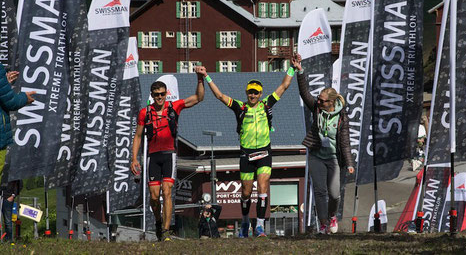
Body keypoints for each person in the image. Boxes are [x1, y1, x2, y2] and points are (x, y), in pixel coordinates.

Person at [200, 66, 295, 237]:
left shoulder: (267, 103)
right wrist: (206, 76)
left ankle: (259, 226)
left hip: (264, 152)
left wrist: (292, 68)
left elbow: (284, 86)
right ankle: (245, 222)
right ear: (246, 93)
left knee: (263, 187)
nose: (253, 96)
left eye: (256, 93)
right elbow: (220, 96)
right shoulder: (240, 107)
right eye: (250, 93)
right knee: (245, 192)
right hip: (246, 154)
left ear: (260, 94)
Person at [130, 67, 205, 241]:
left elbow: (199, 98)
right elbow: (138, 136)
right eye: (157, 95)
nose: (160, 97)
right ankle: (158, 222)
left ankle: (165, 231)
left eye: (162, 94)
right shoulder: (145, 113)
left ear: (166, 94)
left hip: (169, 154)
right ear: (152, 95)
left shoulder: (174, 106)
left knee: (167, 191)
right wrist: (134, 158)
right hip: (152, 157)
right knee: (154, 197)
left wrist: (200, 79)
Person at [293, 54, 354, 234]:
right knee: (320, 192)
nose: (318, 101)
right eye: (318, 99)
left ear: (331, 102)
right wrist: (300, 71)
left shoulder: (342, 117)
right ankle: (324, 223)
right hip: (316, 156)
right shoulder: (317, 109)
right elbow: (305, 94)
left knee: (334, 194)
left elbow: (345, 142)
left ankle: (332, 215)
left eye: (322, 100)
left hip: (334, 159)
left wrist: (349, 163)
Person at [0, 64, 35, 242]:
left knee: (9, 220)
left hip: (8, 198)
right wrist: (23, 98)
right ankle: (7, 238)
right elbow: (10, 102)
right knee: (7, 219)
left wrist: (4, 83)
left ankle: (8, 238)